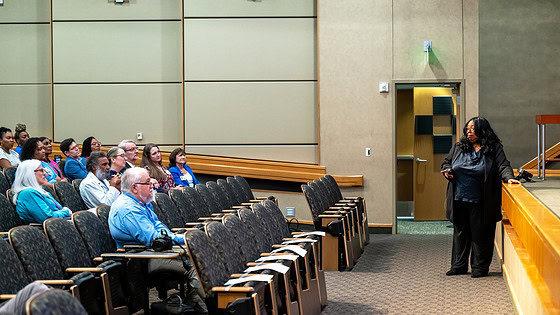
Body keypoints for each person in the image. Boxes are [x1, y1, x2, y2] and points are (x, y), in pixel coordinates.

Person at [107, 168, 205, 312]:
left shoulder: (141, 203)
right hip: (140, 258)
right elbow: (152, 238)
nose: (152, 185)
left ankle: (191, 304)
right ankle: (217, 306)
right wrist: (182, 239)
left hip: (153, 251)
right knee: (195, 264)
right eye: (148, 183)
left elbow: (160, 229)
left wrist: (182, 238)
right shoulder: (127, 208)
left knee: (197, 253)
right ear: (134, 187)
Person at [441, 116, 520, 278]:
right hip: (459, 197)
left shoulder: (494, 148)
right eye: (467, 129)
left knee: (481, 234)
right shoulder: (459, 147)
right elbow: (446, 163)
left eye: (473, 129)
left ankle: (479, 268)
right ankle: (458, 265)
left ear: (482, 130)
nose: (468, 132)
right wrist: (447, 170)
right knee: (460, 233)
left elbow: (503, 165)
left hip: (482, 200)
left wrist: (509, 177)